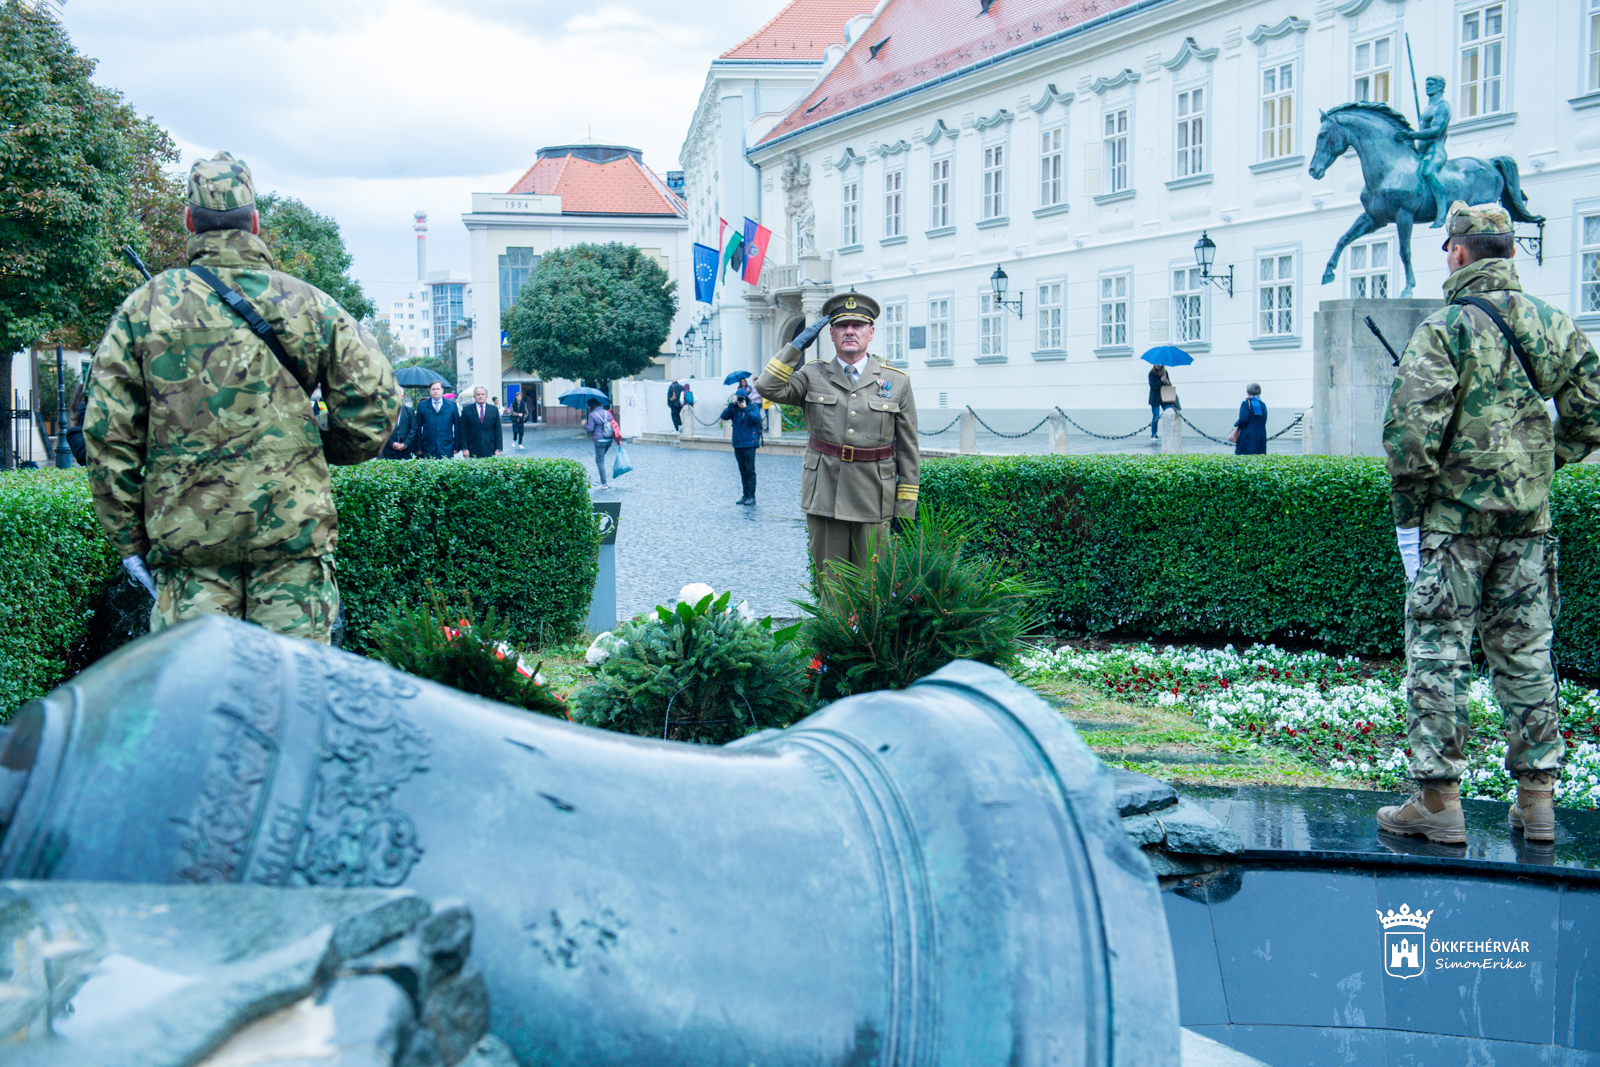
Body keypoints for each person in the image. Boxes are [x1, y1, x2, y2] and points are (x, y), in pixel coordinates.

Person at [84, 150, 399, 644]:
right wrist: (320, 447)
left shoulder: (143, 309)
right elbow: (374, 403)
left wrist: (128, 541)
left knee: (200, 705)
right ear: (254, 221)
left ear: (189, 220)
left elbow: (108, 435)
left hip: (189, 552)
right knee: (293, 698)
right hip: (291, 542)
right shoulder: (307, 303)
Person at [1377, 201, 1600, 845]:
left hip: (1454, 529)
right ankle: (1538, 807)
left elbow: (1409, 437)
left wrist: (1410, 518)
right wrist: (1538, 467)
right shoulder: (1557, 327)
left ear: (1459, 253)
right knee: (1528, 658)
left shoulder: (1445, 329)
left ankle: (1438, 805)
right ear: (1509, 252)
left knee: (1439, 657)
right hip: (1529, 531)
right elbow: (1591, 416)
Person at [755, 291, 919, 582]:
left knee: (872, 587)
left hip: (875, 497)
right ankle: (835, 630)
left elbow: (908, 451)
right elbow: (768, 387)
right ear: (830, 333)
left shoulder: (896, 382)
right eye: (842, 326)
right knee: (832, 587)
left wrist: (904, 509)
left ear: (871, 332)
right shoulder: (812, 375)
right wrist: (796, 344)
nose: (850, 331)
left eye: (858, 325)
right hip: (825, 495)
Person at [1395, 75, 1452, 229]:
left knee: (1428, 172)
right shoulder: (1427, 109)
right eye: (1426, 83)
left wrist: (1410, 135)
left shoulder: (1442, 106)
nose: (1427, 86)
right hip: (1422, 152)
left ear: (1440, 87)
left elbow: (1435, 131)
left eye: (1431, 84)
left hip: (1436, 151)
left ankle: (1441, 212)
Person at [720, 390, 763, 505]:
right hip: (738, 443)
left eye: (742, 398)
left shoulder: (752, 407)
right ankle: (745, 495)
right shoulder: (734, 409)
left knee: (750, 470)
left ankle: (752, 496)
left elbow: (756, 419)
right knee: (742, 470)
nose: (740, 401)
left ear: (746, 398)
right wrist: (731, 404)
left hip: (749, 443)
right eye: (738, 398)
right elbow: (724, 416)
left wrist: (745, 408)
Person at [416, 380, 460, 458]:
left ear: (442, 390)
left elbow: (458, 427)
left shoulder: (452, 405)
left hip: (446, 447)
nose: (435, 391)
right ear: (429, 391)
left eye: (438, 389)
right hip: (428, 447)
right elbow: (417, 428)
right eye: (433, 389)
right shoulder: (422, 405)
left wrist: (456, 446)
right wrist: (418, 447)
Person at [458, 385, 503, 458]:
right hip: (472, 447)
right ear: (474, 396)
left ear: (486, 396)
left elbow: (498, 430)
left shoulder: (493, 409)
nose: (480, 396)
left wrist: (498, 448)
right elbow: (463, 430)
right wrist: (464, 448)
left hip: (490, 446)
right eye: (478, 394)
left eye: (482, 394)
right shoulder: (467, 409)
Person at [585, 397, 614, 486]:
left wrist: (584, 424)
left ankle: (604, 483)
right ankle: (602, 480)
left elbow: (590, 428)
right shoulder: (607, 412)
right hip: (609, 439)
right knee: (600, 459)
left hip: (599, 441)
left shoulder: (592, 415)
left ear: (591, 406)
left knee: (599, 461)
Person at [1231, 384, 1267, 455]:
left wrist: (1236, 425)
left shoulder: (1246, 403)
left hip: (1247, 437)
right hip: (1260, 436)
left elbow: (1243, 419)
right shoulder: (1262, 404)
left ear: (1248, 392)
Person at [1147, 364, 1174, 440]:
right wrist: (1161, 380)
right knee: (1156, 416)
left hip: (1164, 398)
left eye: (1159, 363)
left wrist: (1167, 382)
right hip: (1155, 398)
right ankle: (1154, 434)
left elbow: (1168, 385)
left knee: (1169, 413)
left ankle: (1169, 433)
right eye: (1156, 363)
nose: (1157, 365)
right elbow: (1153, 386)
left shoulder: (1164, 372)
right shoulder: (1151, 373)